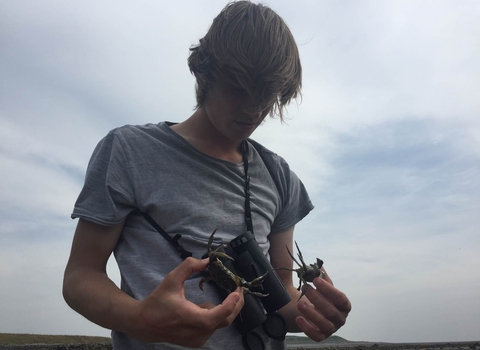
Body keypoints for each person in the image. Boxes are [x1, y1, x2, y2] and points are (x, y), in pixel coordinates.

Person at [63, 1, 351, 349]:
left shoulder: (279, 176)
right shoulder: (129, 151)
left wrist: (313, 314)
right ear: (204, 71)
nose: (253, 109)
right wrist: (141, 320)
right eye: (238, 88)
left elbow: (282, 295)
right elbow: (80, 276)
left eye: (266, 95)